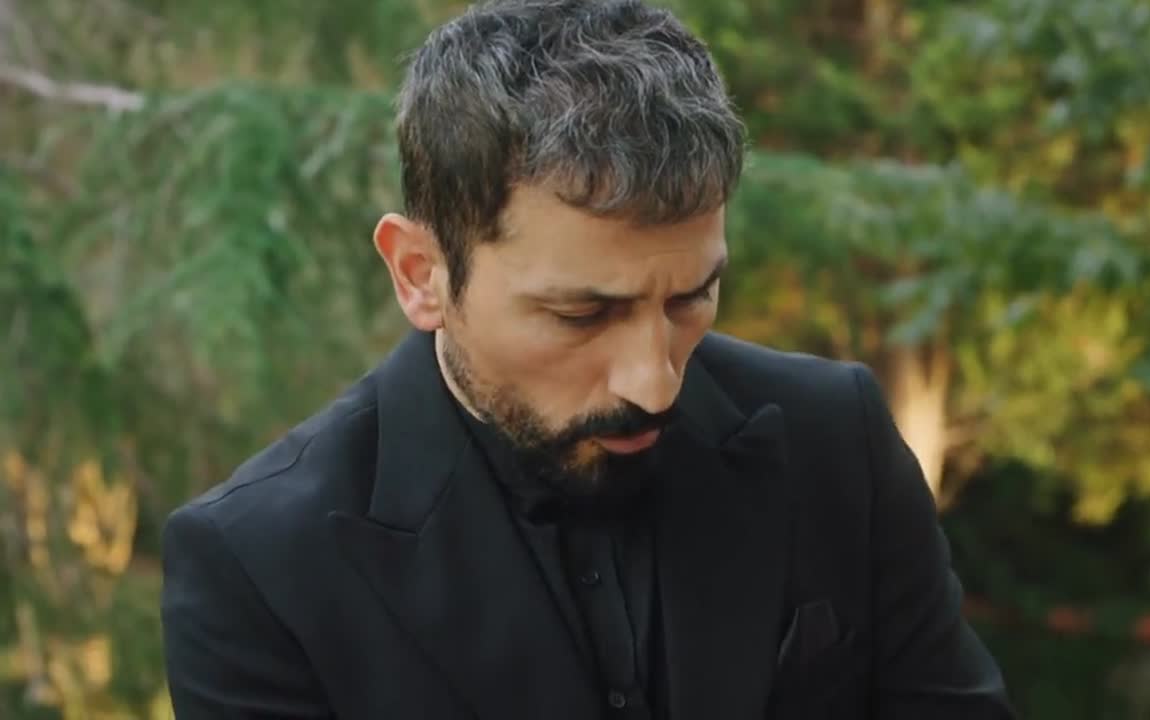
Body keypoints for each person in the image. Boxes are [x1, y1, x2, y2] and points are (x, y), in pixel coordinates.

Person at [159, 0, 1016, 717]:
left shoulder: (836, 442)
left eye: (690, 298)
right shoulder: (258, 567)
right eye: (582, 314)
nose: (656, 383)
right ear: (421, 274)